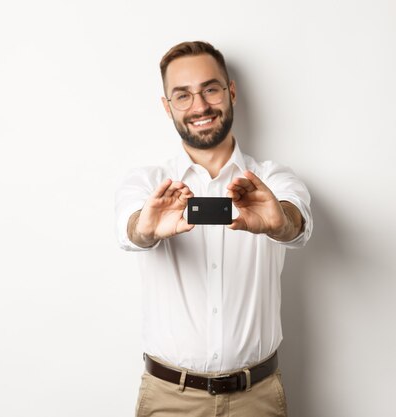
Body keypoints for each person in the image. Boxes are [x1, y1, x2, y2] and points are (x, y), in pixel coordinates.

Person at [115, 41, 313, 417]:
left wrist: (279, 221)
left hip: (258, 398)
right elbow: (130, 231)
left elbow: (296, 222)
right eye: (183, 95)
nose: (200, 106)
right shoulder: (146, 183)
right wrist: (146, 228)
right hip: (169, 400)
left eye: (210, 89)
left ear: (231, 92)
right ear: (167, 107)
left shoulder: (272, 178)